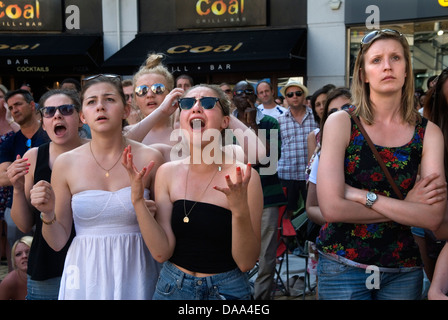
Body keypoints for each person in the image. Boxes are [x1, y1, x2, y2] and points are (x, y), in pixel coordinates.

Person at [316, 29, 447, 300]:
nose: (387, 66)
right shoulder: (341, 123)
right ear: (363, 74)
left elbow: (432, 218)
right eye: (376, 60)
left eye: (396, 58)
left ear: (407, 69)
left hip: (403, 266)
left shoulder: (429, 132)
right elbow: (331, 208)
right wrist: (407, 207)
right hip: (343, 265)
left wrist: (360, 195)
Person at [30, 75, 165, 300]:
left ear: (125, 109)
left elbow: (165, 237)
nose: (100, 106)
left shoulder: (151, 157)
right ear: (83, 115)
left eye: (109, 99)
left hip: (139, 270)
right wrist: (47, 212)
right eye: (91, 102)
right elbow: (57, 242)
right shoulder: (66, 164)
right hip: (85, 274)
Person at [124, 83, 263, 300]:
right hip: (172, 288)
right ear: (180, 121)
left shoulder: (244, 178)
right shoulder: (166, 173)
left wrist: (239, 211)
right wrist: (138, 201)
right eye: (187, 103)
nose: (196, 108)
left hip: (228, 291)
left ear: (225, 121)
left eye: (208, 103)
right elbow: (161, 252)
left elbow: (246, 262)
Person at [7, 89, 85, 300]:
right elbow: (24, 225)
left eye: (66, 109)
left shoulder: (97, 153)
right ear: (43, 123)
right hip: (47, 265)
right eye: (49, 112)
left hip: (90, 262)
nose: (57, 115)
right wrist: (17, 187)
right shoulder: (33, 156)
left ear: (80, 118)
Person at [232, 80, 286, 300]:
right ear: (233, 97)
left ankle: (260, 300)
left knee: (266, 256)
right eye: (239, 93)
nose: (244, 97)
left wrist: (253, 126)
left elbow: (268, 159)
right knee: (233, 250)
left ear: (255, 97)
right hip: (235, 196)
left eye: (248, 93)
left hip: (267, 196)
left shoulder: (270, 122)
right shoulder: (225, 123)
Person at [0, 89, 50, 271]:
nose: (14, 110)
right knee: (18, 252)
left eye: (18, 104)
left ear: (31, 105)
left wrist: (18, 170)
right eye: (11, 107)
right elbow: (2, 177)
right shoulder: (10, 142)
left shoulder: (50, 134)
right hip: (17, 203)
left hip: (49, 202)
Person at [277, 79, 316, 217]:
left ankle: (308, 238)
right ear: (286, 98)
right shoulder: (279, 120)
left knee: (313, 211)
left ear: (304, 96)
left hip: (311, 176)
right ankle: (288, 239)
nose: (294, 96)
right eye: (290, 94)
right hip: (288, 174)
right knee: (287, 214)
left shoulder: (316, 118)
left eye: (298, 93)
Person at [129, 53, 179, 146]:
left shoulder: (185, 132)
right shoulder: (126, 133)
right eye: (142, 90)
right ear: (135, 99)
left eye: (158, 88)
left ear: (170, 94)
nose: (150, 95)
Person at [0, 84, 18, 269]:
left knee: (9, 230)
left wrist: (9, 117)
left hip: (10, 181)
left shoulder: (13, 122)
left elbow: (24, 135)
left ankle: (10, 269)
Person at [0, 236, 32, 300]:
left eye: (28, 252)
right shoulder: (9, 282)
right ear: (15, 262)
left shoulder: (51, 277)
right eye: (18, 254)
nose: (24, 256)